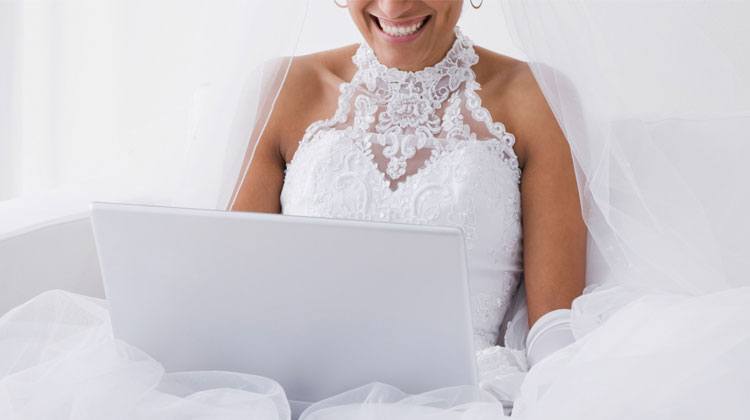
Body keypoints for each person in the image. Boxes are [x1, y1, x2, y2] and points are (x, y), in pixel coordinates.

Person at [230, 1, 586, 393]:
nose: (393, 6)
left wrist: (560, 399)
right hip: (298, 390)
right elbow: (233, 295)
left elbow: (555, 322)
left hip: (466, 398)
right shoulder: (285, 88)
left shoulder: (538, 98)